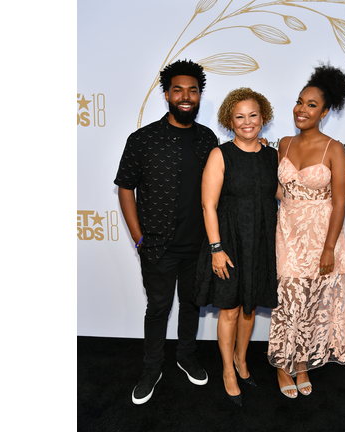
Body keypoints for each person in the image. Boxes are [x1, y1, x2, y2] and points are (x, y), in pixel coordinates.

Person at [114, 59, 219, 405]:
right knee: (158, 309)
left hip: (200, 245)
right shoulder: (143, 139)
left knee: (191, 305)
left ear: (199, 95)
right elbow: (125, 188)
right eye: (178, 90)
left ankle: (186, 356)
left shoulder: (208, 139)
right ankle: (152, 367)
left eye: (192, 90)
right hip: (157, 246)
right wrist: (138, 237)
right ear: (166, 94)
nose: (186, 96)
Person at [267, 62, 345, 398]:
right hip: (287, 230)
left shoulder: (335, 149)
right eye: (299, 102)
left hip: (321, 236)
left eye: (311, 105)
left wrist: (329, 248)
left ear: (325, 112)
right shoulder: (284, 143)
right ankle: (280, 366)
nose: (301, 109)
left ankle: (301, 364)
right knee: (286, 301)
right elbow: (279, 191)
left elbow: (340, 203)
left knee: (312, 302)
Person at [193, 88, 279, 406]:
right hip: (228, 241)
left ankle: (242, 360)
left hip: (261, 240)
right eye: (239, 116)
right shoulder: (220, 154)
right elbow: (208, 205)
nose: (247, 122)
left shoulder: (272, 156)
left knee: (250, 306)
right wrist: (216, 248)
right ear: (230, 120)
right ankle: (228, 370)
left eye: (253, 115)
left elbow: (279, 195)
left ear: (263, 117)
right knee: (229, 309)